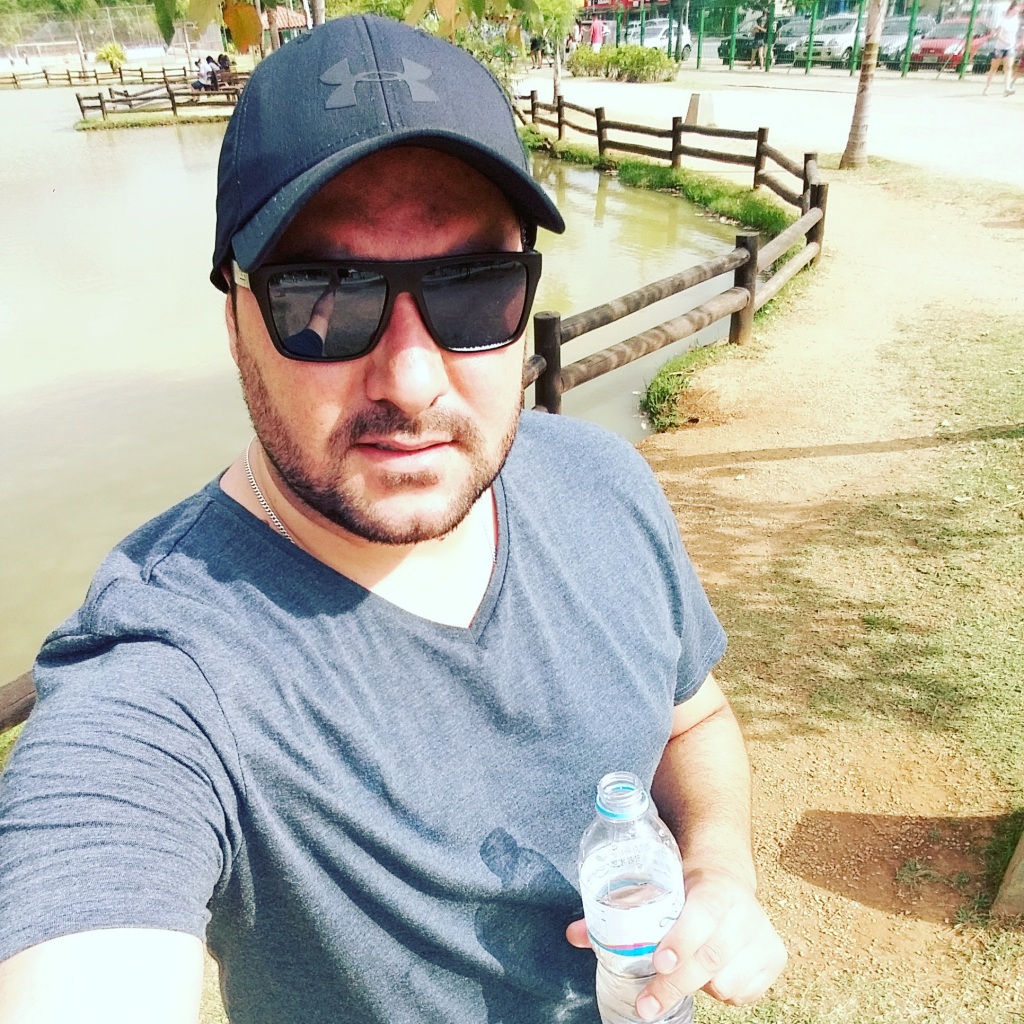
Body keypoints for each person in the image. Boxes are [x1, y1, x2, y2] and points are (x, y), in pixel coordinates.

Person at [0, 15, 786, 1024]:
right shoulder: (167, 670)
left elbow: (693, 717)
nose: (411, 380)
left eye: (474, 290)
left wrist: (719, 865)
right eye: (322, 297)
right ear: (235, 317)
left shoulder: (604, 484)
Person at [984, 2, 1021, 95]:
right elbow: (998, 35)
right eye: (1017, 8)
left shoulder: (1016, 20)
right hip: (999, 48)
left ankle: (1007, 88)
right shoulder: (1004, 20)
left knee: (1008, 68)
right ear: (1012, 9)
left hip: (1010, 48)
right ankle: (987, 87)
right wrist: (1005, 41)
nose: (1019, 10)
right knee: (994, 68)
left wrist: (1016, 43)